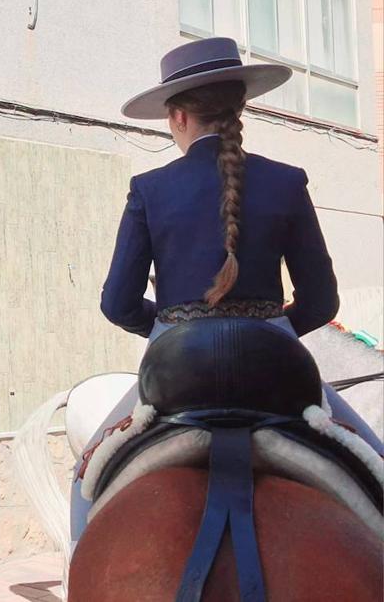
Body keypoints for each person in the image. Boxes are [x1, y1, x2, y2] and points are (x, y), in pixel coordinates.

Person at [75, 36, 383, 540]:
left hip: (177, 369)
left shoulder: (149, 189)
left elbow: (117, 303)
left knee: (85, 481)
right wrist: (273, 327)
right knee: (375, 462)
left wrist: (172, 325)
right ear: (239, 106)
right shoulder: (287, 182)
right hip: (276, 364)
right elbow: (324, 301)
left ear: (177, 117)